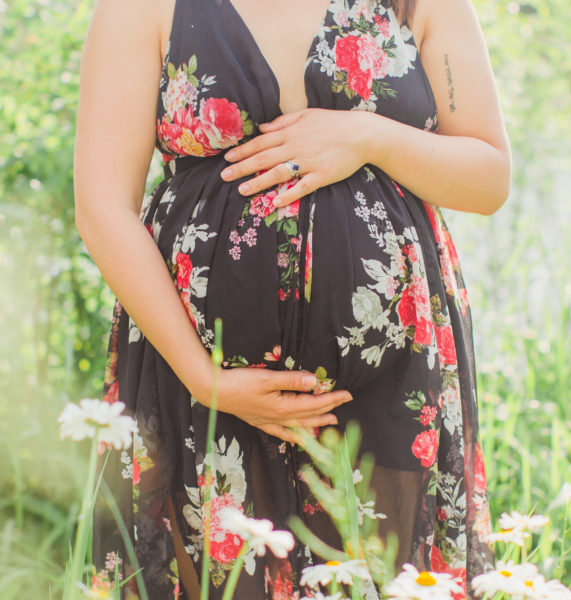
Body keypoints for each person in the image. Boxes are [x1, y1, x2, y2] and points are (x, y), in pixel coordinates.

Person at [73, 0, 511, 597]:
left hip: (388, 378)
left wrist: (368, 136)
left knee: (386, 583)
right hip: (197, 374)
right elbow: (102, 208)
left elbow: (488, 177)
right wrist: (205, 378)